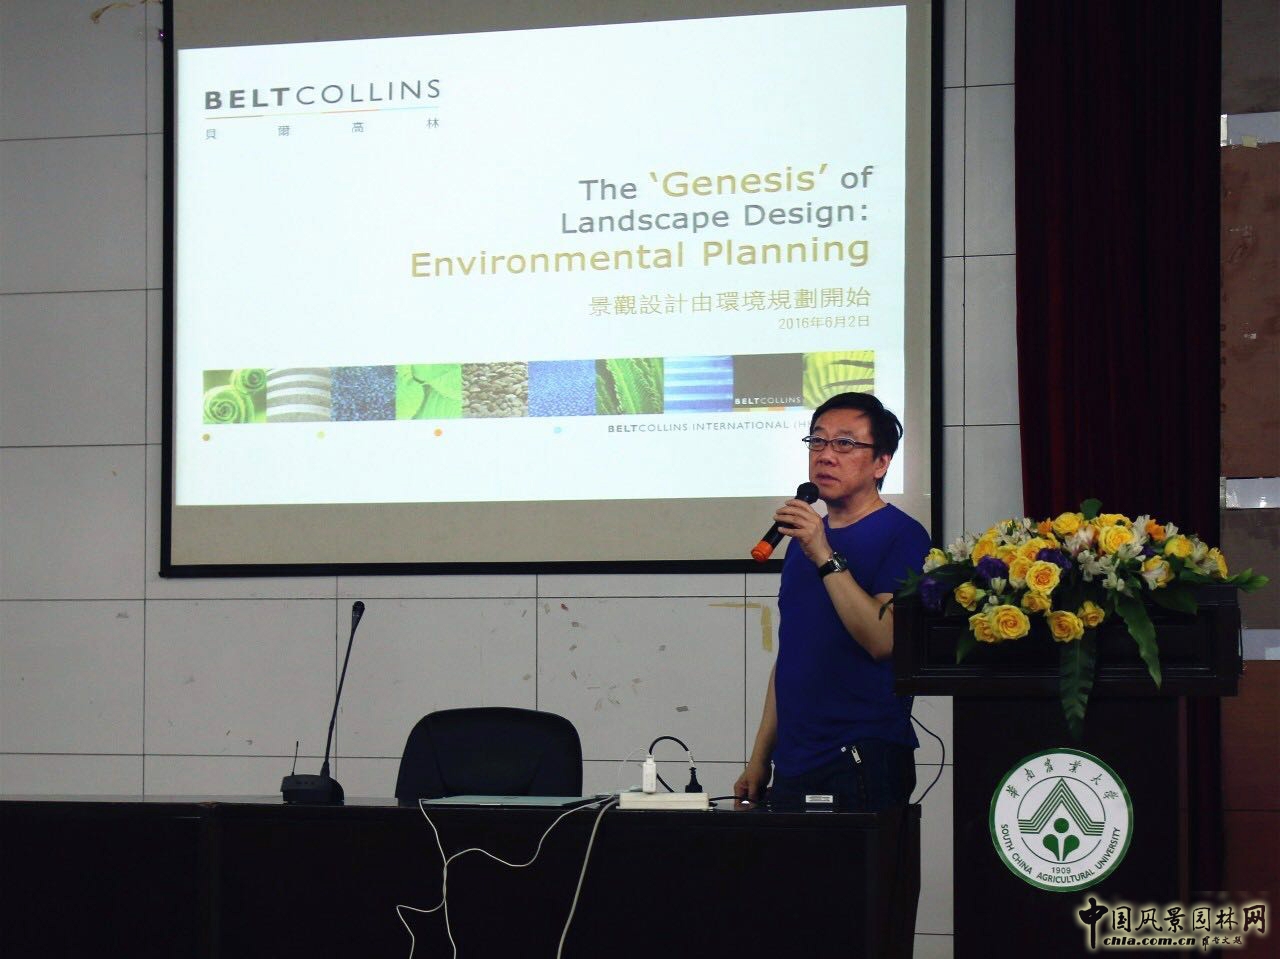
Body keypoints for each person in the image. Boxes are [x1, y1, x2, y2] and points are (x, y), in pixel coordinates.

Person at [734, 391, 930, 811]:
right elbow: (793, 655)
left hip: (861, 755)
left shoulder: (903, 535)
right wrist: (760, 757)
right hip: (794, 758)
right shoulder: (801, 542)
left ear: (881, 463)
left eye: (844, 443)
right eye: (817, 441)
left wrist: (823, 553)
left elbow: (883, 640)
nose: (825, 455)